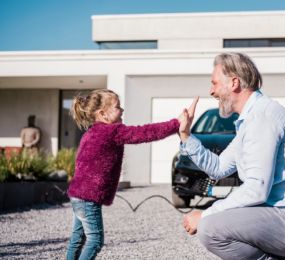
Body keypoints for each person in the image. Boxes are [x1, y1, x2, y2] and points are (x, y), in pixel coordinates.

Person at [179, 53, 285, 259]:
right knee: (214, 223)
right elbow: (219, 167)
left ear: (234, 83)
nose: (211, 91)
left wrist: (204, 214)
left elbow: (256, 190)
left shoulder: (262, 116)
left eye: (214, 83)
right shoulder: (251, 119)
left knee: (210, 228)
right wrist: (186, 136)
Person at [66, 89, 196, 260]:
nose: (122, 110)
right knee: (95, 240)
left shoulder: (91, 133)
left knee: (78, 238)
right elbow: (144, 133)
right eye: (117, 107)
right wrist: (175, 124)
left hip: (78, 196)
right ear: (103, 114)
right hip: (88, 198)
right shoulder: (111, 132)